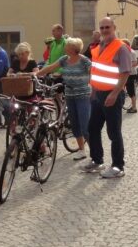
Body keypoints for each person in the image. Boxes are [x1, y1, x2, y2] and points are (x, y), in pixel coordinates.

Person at [80, 17, 130, 179]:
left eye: (107, 27)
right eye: (101, 28)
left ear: (114, 27)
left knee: (113, 132)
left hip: (112, 95)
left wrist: (115, 93)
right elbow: (97, 71)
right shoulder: (98, 47)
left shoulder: (121, 48)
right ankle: (97, 160)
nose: (104, 30)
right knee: (92, 128)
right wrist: (93, 91)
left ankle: (117, 166)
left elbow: (125, 73)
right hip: (97, 95)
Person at [35, 37, 91, 157]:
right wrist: (36, 74)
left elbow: (94, 73)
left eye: (67, 46)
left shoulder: (84, 61)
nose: (65, 48)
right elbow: (50, 67)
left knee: (85, 124)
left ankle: (95, 153)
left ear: (73, 48)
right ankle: (82, 150)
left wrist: (93, 87)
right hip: (70, 95)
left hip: (83, 95)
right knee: (75, 124)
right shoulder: (64, 59)